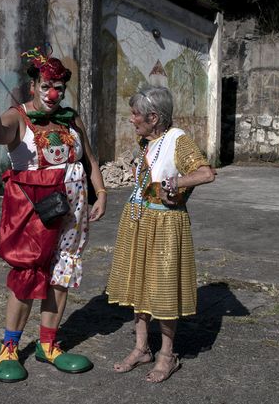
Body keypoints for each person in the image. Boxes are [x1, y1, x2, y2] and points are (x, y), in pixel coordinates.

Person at [0, 46, 107, 383]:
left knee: (63, 271)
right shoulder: (16, 116)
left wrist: (102, 192)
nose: (53, 94)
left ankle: (48, 345)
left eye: (59, 88)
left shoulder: (70, 117)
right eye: (46, 85)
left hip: (74, 208)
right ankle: (9, 348)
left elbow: (89, 160)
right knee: (27, 272)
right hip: (33, 210)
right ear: (33, 85)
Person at [105, 85, 215, 383]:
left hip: (164, 224)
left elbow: (205, 172)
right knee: (139, 285)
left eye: (136, 114)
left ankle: (167, 354)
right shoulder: (148, 141)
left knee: (163, 289)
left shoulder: (177, 139)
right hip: (140, 219)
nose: (131, 119)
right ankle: (142, 348)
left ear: (154, 117)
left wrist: (176, 183)